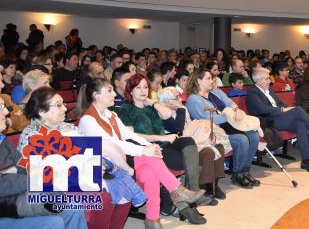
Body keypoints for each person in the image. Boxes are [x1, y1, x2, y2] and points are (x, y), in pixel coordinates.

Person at [77, 79, 208, 228]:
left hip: (120, 160)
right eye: (109, 91)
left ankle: (153, 219)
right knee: (149, 158)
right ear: (96, 96)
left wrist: (149, 145)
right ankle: (176, 192)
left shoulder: (110, 114)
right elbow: (112, 145)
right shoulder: (88, 120)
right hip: (105, 168)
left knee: (150, 171)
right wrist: (144, 150)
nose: (114, 94)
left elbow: (129, 135)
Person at [116, 74, 212, 208]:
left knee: (188, 141)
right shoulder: (126, 109)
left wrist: (151, 102)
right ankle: (186, 203)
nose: (143, 91)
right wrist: (160, 138)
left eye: (145, 87)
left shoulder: (150, 107)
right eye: (138, 88)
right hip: (149, 150)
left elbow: (167, 114)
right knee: (190, 159)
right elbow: (131, 136)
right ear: (130, 90)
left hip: (164, 144)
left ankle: (192, 193)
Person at [0, 91, 88, 229]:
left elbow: (22, 169)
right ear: (42, 112)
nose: (6, 111)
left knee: (73, 208)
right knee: (53, 222)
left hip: (18, 196)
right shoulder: (31, 134)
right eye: (0, 107)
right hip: (7, 206)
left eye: (4, 106)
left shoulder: (2, 140)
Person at [246, 67, 309, 173]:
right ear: (258, 80)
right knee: (298, 110)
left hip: (279, 118)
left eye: (268, 78)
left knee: (300, 125)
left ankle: (306, 161)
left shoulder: (269, 90)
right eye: (266, 79)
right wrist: (283, 110)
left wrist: (287, 108)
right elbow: (262, 109)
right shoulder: (253, 93)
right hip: (268, 121)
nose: (269, 81)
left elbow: (279, 103)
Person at [186, 70, 261, 187]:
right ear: (198, 80)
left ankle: (245, 170)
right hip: (214, 131)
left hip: (230, 124)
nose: (212, 81)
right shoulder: (193, 99)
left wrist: (237, 111)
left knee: (254, 136)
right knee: (242, 140)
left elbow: (230, 103)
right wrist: (229, 116)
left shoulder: (216, 92)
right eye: (209, 78)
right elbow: (207, 119)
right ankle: (237, 174)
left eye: (212, 78)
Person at [156, 86, 227, 199]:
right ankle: (203, 187)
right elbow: (177, 128)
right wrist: (180, 109)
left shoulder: (182, 109)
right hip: (178, 145)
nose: (180, 99)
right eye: (177, 97)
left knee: (218, 146)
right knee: (208, 152)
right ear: (167, 102)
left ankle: (214, 185)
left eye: (179, 96)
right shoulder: (163, 113)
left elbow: (190, 126)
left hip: (192, 139)